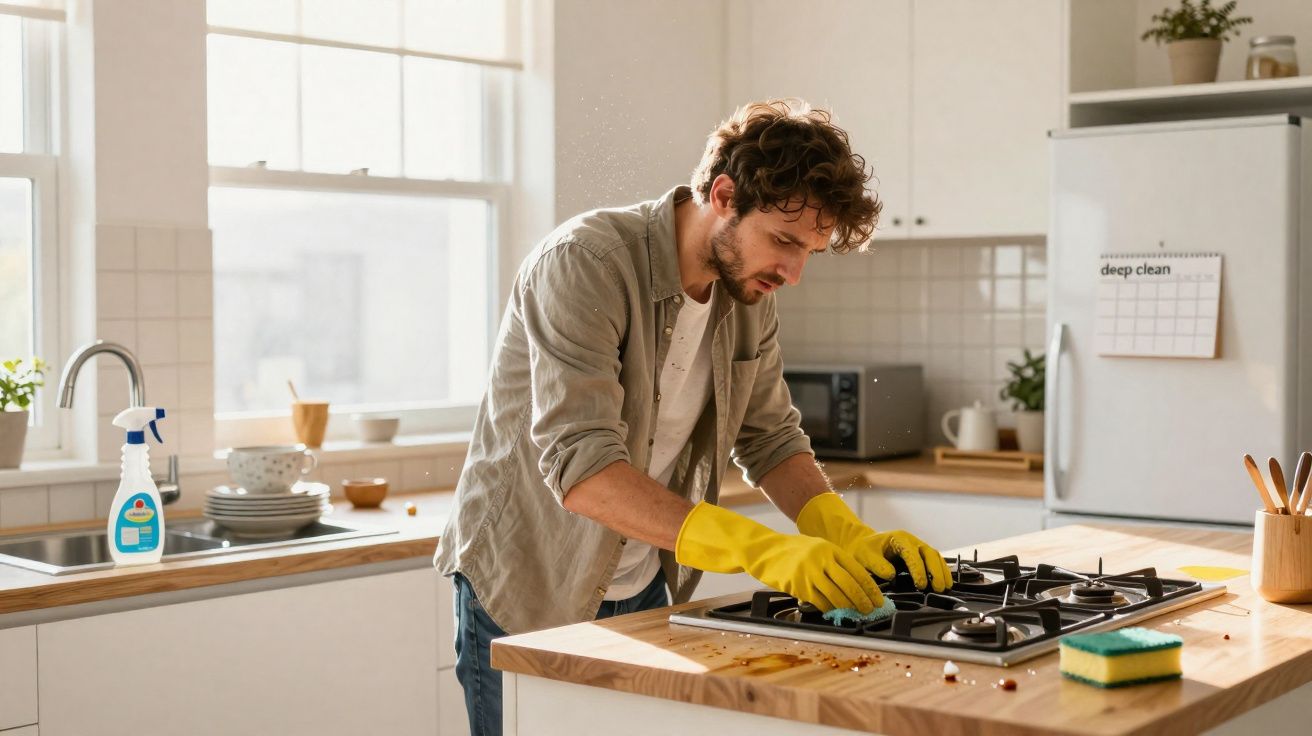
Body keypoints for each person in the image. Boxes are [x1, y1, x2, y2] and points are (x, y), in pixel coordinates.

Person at [434, 98, 950, 735]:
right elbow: (583, 468)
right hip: (532, 585)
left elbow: (770, 438)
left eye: (810, 251)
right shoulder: (584, 264)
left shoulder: (747, 293)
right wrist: (760, 549)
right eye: (784, 241)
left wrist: (844, 532)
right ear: (725, 194)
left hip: (648, 579)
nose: (792, 272)